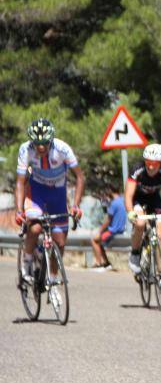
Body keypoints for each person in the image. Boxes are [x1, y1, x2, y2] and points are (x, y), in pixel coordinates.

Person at [15, 118, 85, 282]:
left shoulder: (63, 149)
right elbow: (20, 181)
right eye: (37, 143)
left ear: (51, 140)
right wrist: (19, 210)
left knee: (60, 243)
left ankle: (52, 279)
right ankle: (27, 261)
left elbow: (80, 178)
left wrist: (75, 205)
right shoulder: (25, 149)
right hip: (37, 191)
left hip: (58, 193)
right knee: (35, 228)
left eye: (45, 143)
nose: (40, 147)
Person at [125, 143, 161, 289]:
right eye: (148, 162)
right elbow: (128, 195)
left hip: (154, 200)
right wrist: (131, 211)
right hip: (137, 199)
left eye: (155, 163)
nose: (151, 166)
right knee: (140, 224)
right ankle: (135, 253)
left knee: (160, 235)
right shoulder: (137, 169)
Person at [90, 185, 127, 271]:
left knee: (94, 240)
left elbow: (108, 220)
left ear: (110, 191)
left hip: (114, 231)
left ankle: (99, 263)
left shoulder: (114, 203)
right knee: (99, 242)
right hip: (121, 229)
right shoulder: (123, 200)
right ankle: (106, 263)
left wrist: (100, 231)